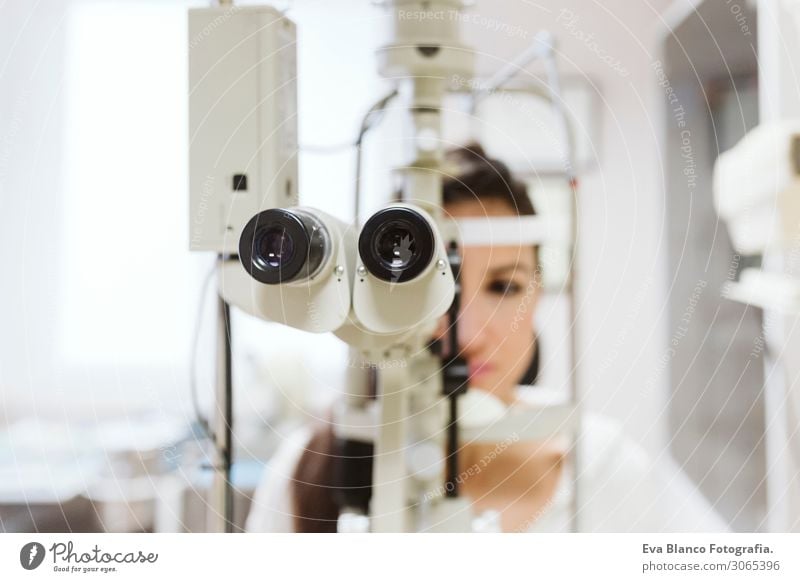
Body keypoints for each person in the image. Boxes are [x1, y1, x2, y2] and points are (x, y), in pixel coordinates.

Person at [246, 143, 729, 533]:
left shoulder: (605, 467)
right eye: (437, 290)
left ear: (539, 293)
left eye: (504, 286)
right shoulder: (307, 469)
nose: (469, 333)